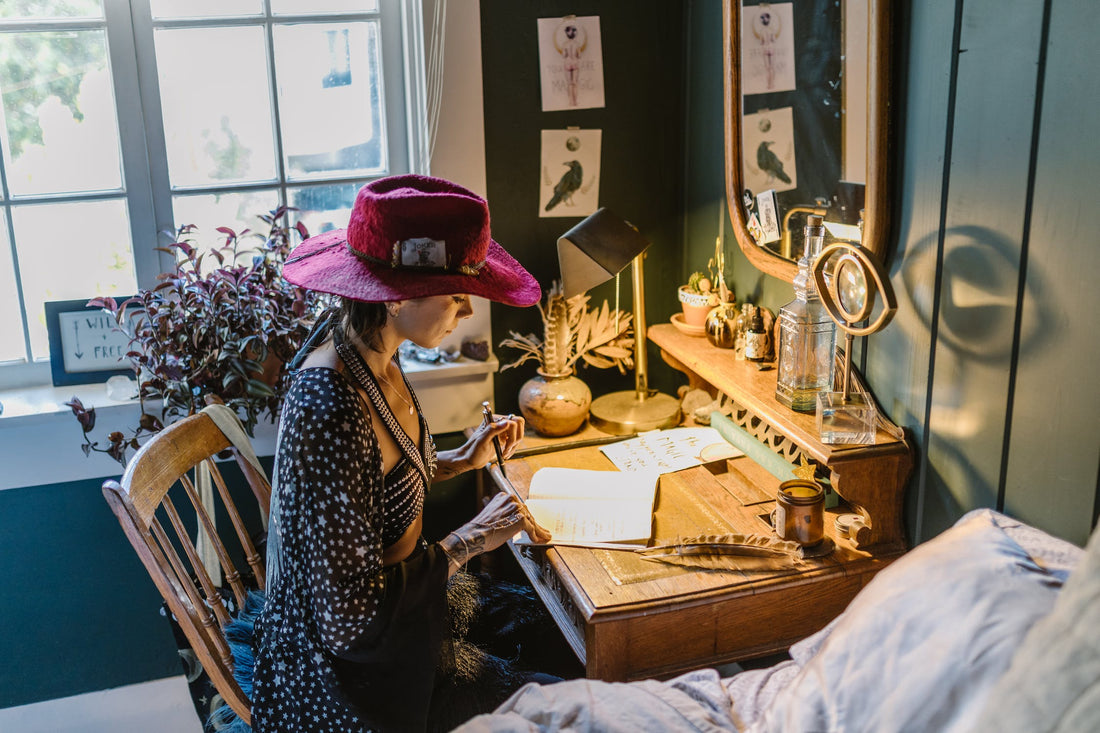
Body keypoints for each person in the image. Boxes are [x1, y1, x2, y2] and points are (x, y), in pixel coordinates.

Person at [250, 174, 555, 733]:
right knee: (569, 698)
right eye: (456, 292)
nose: (466, 310)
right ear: (393, 295)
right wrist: (470, 538)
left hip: (402, 611)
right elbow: (348, 619)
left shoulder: (367, 347)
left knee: (554, 630)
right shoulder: (331, 404)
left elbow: (367, 487)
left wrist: (460, 459)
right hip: (353, 675)